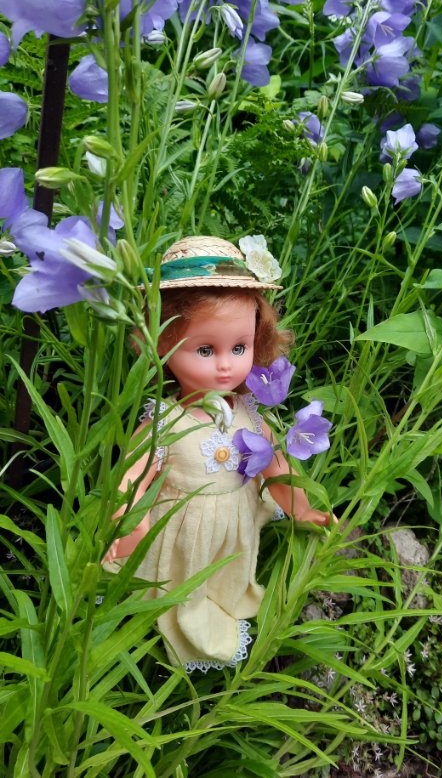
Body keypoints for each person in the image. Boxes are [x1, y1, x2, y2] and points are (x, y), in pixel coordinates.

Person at [104, 235, 333, 672]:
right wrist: (128, 527)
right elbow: (131, 481)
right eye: (205, 350)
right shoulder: (164, 423)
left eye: (240, 347)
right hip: (180, 534)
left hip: (234, 531)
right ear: (161, 346)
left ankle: (223, 602)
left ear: (258, 340)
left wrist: (302, 510)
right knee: (175, 586)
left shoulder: (248, 410)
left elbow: (276, 468)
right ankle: (165, 633)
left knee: (224, 579)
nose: (226, 365)